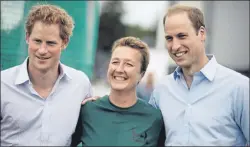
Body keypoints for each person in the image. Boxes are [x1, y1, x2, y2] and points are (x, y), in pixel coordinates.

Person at [149, 4, 249, 146]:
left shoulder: (240, 88)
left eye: (181, 36)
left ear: (201, 33)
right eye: (169, 38)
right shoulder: (161, 90)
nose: (175, 46)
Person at [1, 4, 93, 146]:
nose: (42, 50)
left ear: (64, 43)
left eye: (50, 43)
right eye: (37, 41)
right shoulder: (3, 84)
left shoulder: (80, 84)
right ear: (27, 37)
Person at [71, 36, 165, 146]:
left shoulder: (155, 119)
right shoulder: (87, 110)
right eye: (115, 62)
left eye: (128, 64)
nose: (119, 69)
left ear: (141, 74)